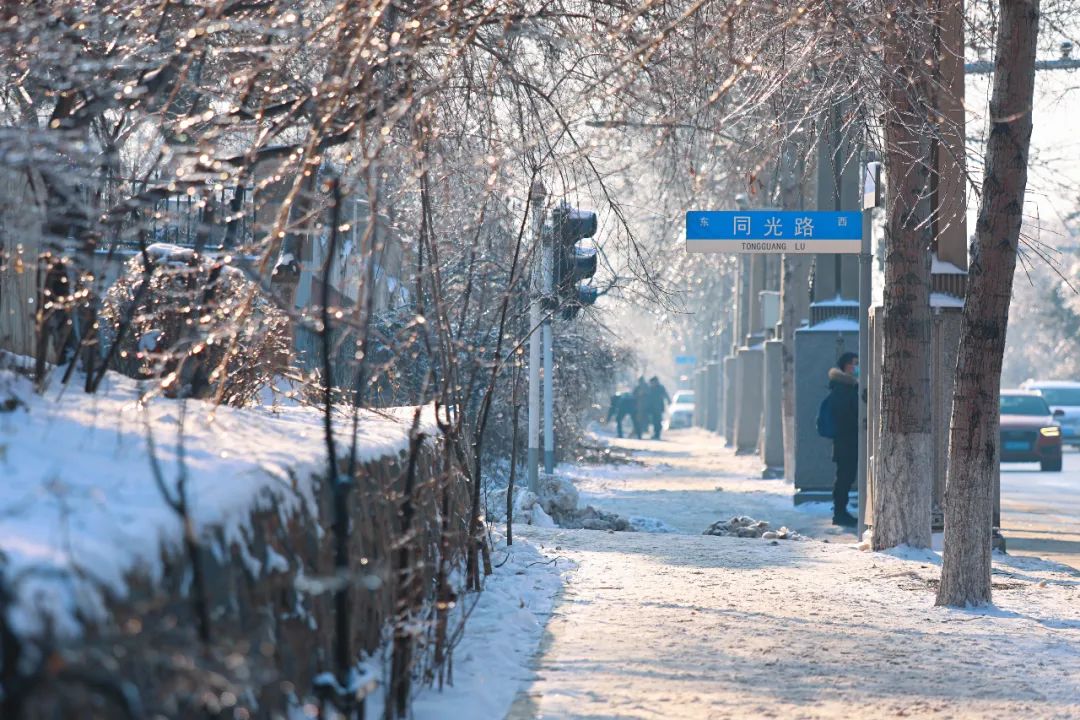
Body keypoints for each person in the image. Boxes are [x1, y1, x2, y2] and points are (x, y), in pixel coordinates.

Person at [827, 352, 859, 527]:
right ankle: (839, 513)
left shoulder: (849, 386)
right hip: (845, 441)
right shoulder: (843, 387)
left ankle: (841, 511)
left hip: (848, 440)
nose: (856, 367)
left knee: (846, 477)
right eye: (854, 363)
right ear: (845, 366)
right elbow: (847, 413)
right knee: (844, 478)